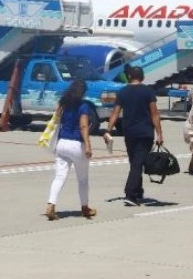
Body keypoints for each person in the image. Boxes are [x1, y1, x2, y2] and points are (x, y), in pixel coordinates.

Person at [103, 66, 164, 206]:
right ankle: (130, 194)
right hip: (145, 133)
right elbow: (154, 114)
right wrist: (159, 134)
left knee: (135, 162)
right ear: (142, 77)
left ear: (129, 77)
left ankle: (138, 191)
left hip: (129, 133)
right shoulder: (148, 92)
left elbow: (115, 112)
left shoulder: (123, 92)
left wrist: (108, 130)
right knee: (137, 163)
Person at [44, 79, 96, 221]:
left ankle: (51, 204)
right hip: (76, 145)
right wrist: (88, 145)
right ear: (83, 92)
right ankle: (85, 208)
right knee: (83, 179)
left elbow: (56, 118)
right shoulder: (84, 106)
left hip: (62, 143)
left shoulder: (64, 103)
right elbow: (83, 126)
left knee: (59, 177)